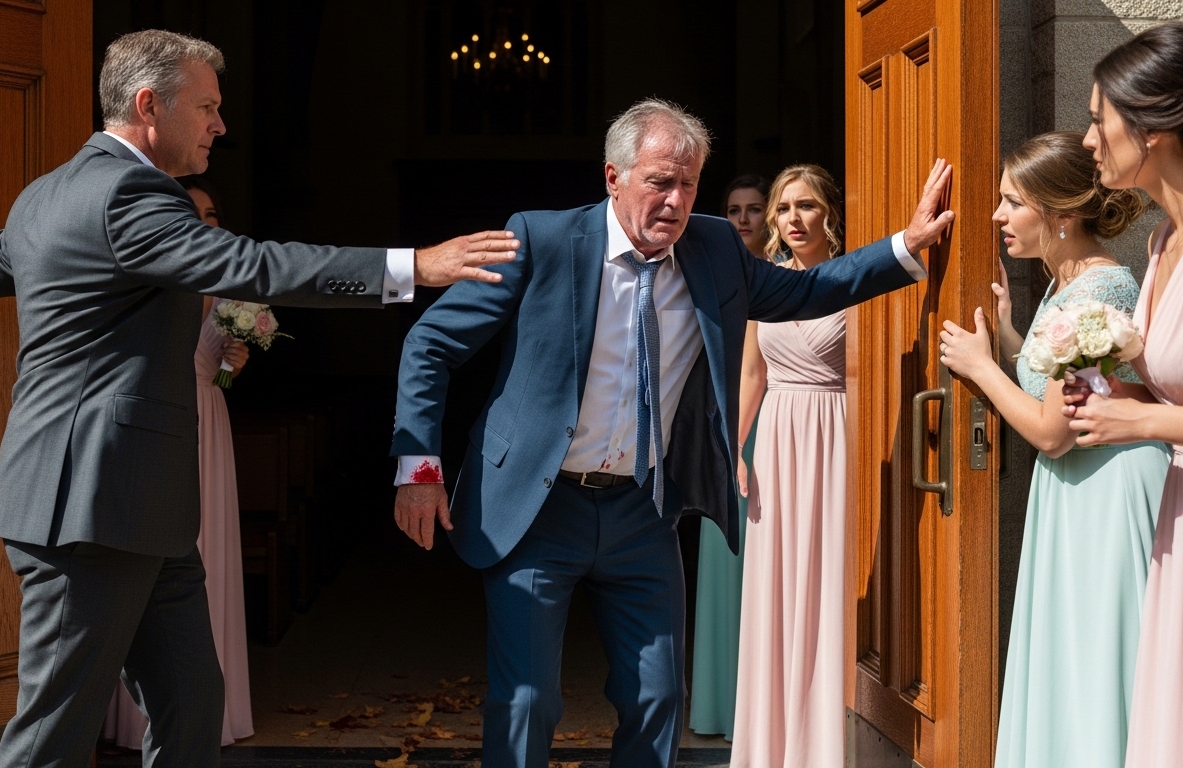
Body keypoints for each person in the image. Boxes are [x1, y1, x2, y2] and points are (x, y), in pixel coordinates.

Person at [0, 29, 519, 768]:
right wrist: (415, 265)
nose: (220, 124)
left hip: (143, 508)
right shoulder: (129, 195)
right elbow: (250, 264)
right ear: (148, 105)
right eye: (207, 107)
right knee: (53, 736)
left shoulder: (45, 195)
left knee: (191, 707)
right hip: (90, 507)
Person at [389, 98, 954, 768]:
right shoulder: (542, 240)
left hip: (641, 509)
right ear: (613, 177)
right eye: (660, 182)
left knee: (658, 698)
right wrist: (418, 468)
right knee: (527, 702)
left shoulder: (714, 248)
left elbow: (806, 292)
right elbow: (431, 343)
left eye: (688, 183)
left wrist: (905, 246)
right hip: (538, 507)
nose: (676, 200)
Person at [939, 132, 1167, 768]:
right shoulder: (1068, 282)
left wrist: (981, 368)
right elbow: (1065, 385)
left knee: (1095, 654)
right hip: (1076, 492)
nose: (997, 216)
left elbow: (1052, 432)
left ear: (1060, 212)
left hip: (1104, 491)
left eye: (1013, 202)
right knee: (1073, 653)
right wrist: (1013, 336)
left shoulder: (1101, 288)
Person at [1059, 21, 1183, 768]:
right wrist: (1112, 389)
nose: (1087, 139)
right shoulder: (1162, 242)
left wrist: (1141, 424)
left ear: (1153, 127)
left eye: (1098, 119)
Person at [103, 176, 256, 750]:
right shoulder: (148, 271)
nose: (204, 221)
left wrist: (232, 367)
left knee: (207, 552)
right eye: (193, 211)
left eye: (212, 214)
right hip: (154, 421)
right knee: (151, 556)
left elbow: (219, 375)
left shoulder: (230, 281)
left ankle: (211, 712)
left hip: (208, 418)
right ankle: (137, 717)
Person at [729, 164, 856, 768]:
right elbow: (752, 373)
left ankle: (825, 743)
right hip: (777, 441)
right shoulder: (767, 282)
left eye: (805, 205)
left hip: (835, 435)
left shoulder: (853, 279)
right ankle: (772, 746)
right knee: (775, 586)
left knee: (829, 578)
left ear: (830, 212)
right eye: (782, 208)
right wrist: (735, 446)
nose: (792, 219)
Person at [687, 172, 772, 740]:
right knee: (722, 562)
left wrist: (734, 444)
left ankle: (756, 708)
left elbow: (754, 372)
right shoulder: (710, 271)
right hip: (719, 419)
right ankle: (721, 703)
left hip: (760, 428)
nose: (743, 219)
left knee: (757, 562)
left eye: (755, 209)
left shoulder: (775, 277)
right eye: (734, 210)